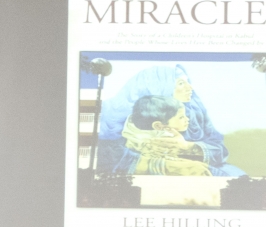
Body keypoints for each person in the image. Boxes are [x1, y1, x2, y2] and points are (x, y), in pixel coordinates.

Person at [95, 64, 243, 176]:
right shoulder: (118, 117)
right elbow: (106, 160)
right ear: (159, 87)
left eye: (187, 81)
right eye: (180, 83)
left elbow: (219, 149)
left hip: (196, 169)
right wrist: (160, 165)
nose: (190, 87)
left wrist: (188, 146)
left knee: (236, 177)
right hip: (143, 175)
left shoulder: (194, 110)